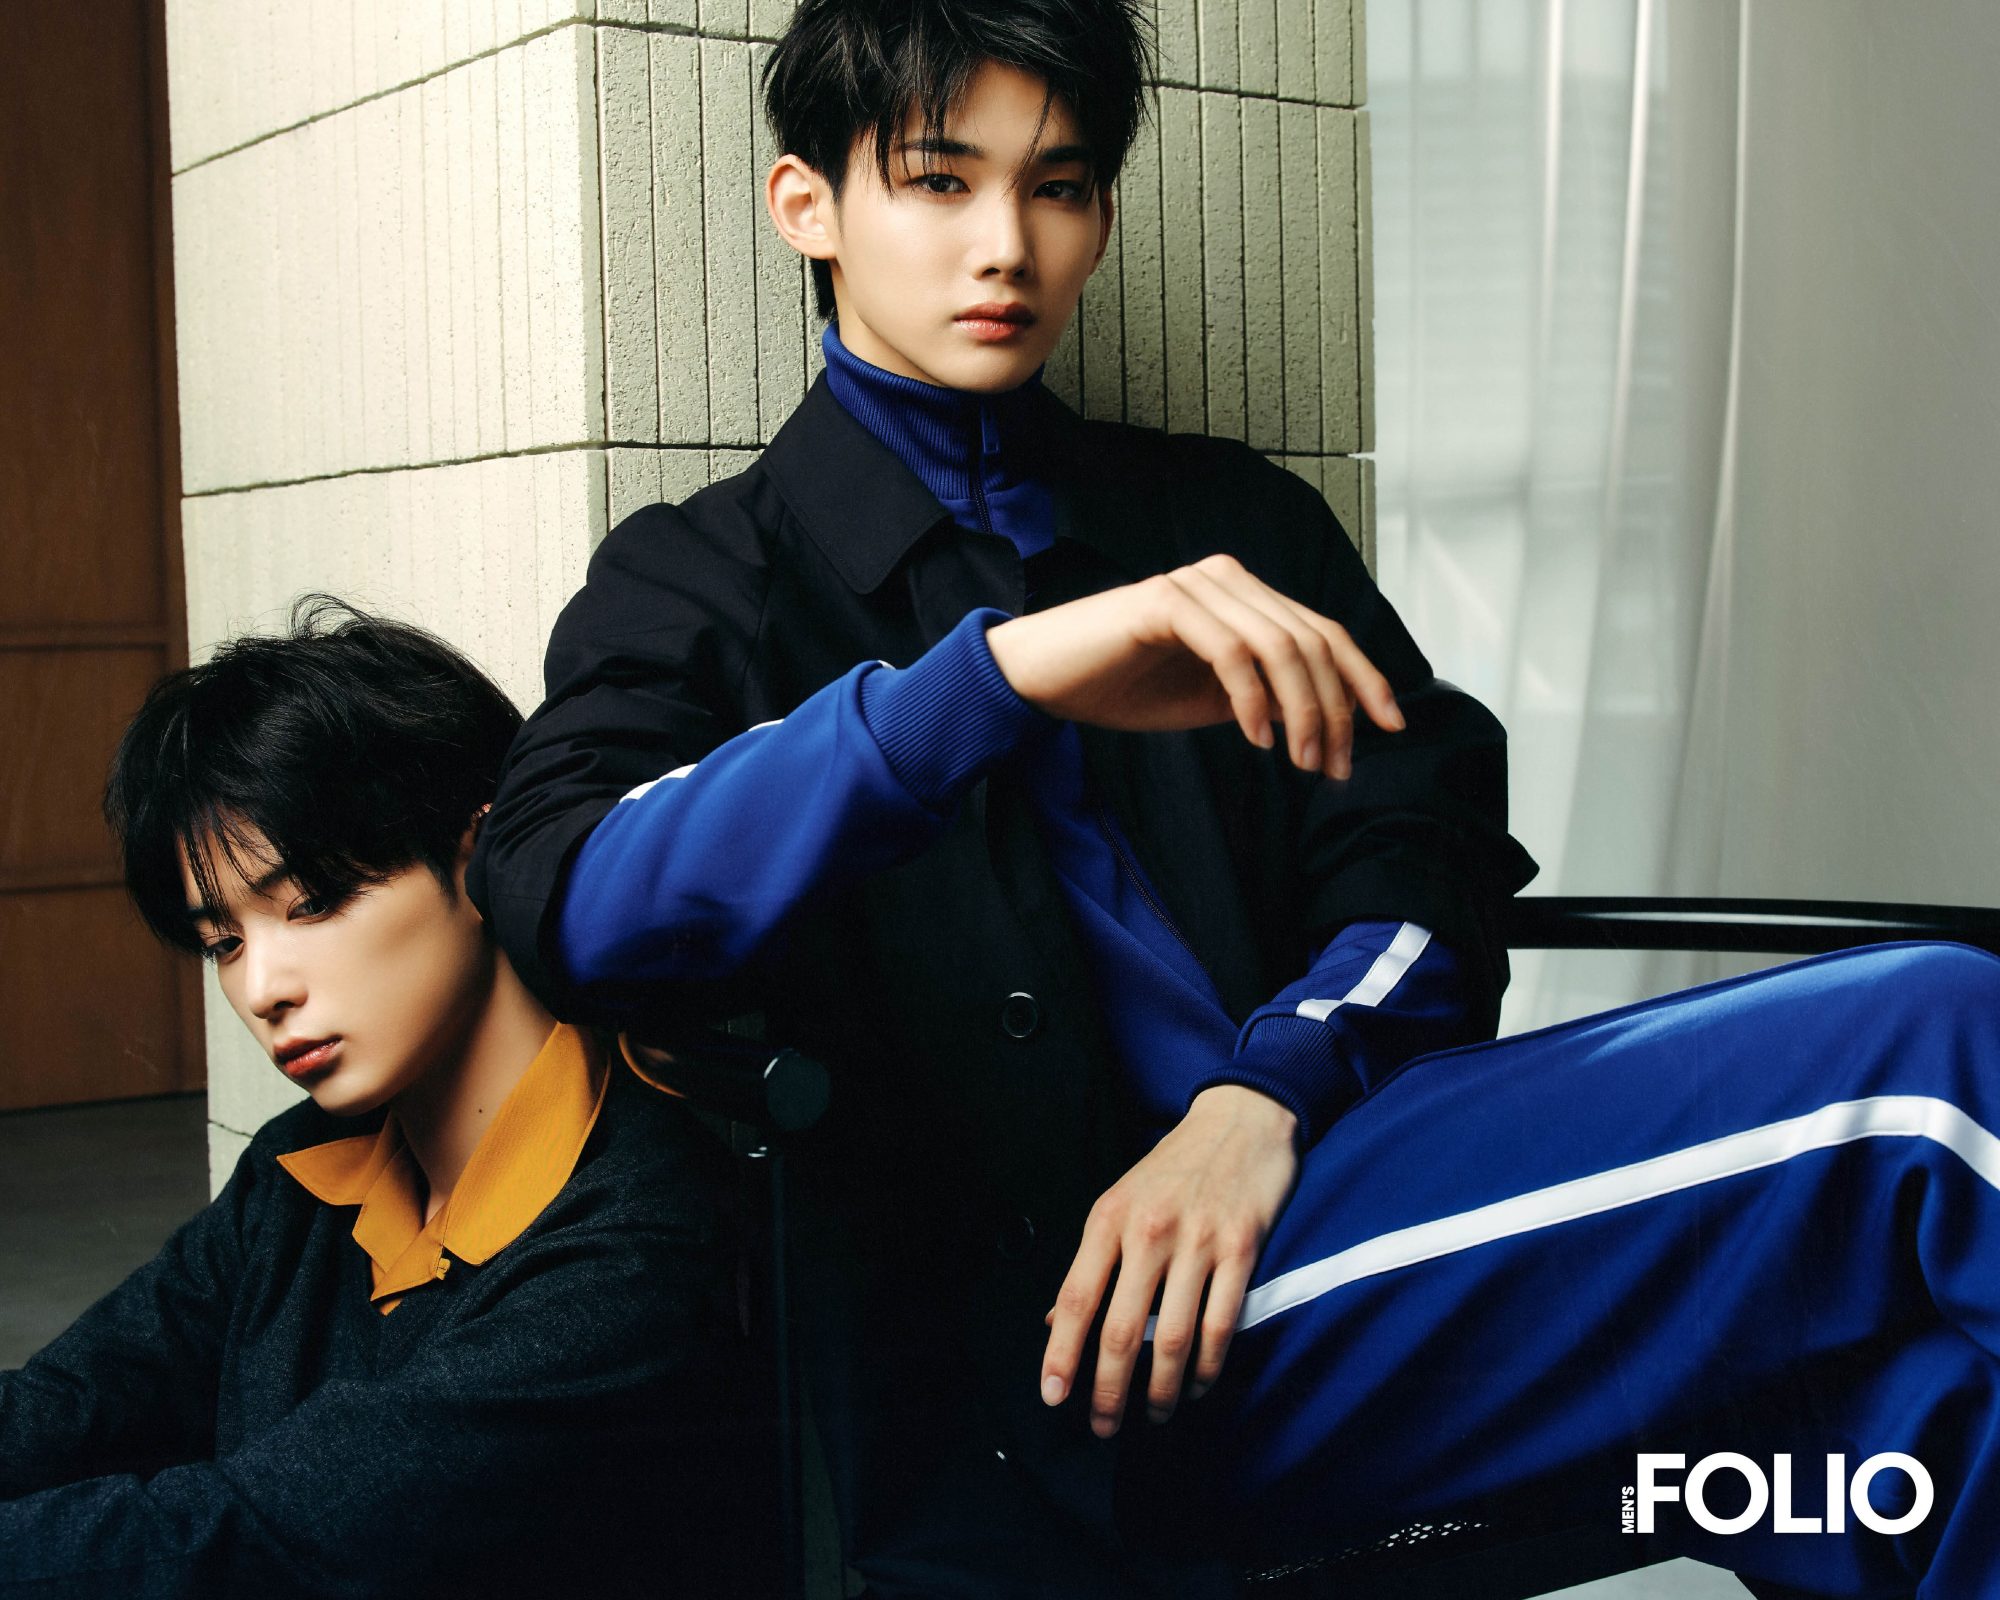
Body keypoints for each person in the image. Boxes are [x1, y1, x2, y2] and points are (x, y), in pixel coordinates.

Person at [469, 1, 2000, 1593]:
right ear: (810, 206)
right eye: (939, 181)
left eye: (1060, 187)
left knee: (1910, 1433)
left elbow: (1424, 851)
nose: (1006, 245)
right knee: (1942, 1050)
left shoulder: (1226, 523)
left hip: (1330, 1195)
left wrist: (1263, 1094)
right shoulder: (705, 578)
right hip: (1069, 1365)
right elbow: (571, 893)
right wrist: (997, 680)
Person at [0, 599, 775, 1598]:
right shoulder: (304, 1167)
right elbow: (74, 1401)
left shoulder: (639, 1243)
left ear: (476, 854)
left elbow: (261, 1540)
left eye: (313, 902)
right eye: (223, 941)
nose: (261, 988)